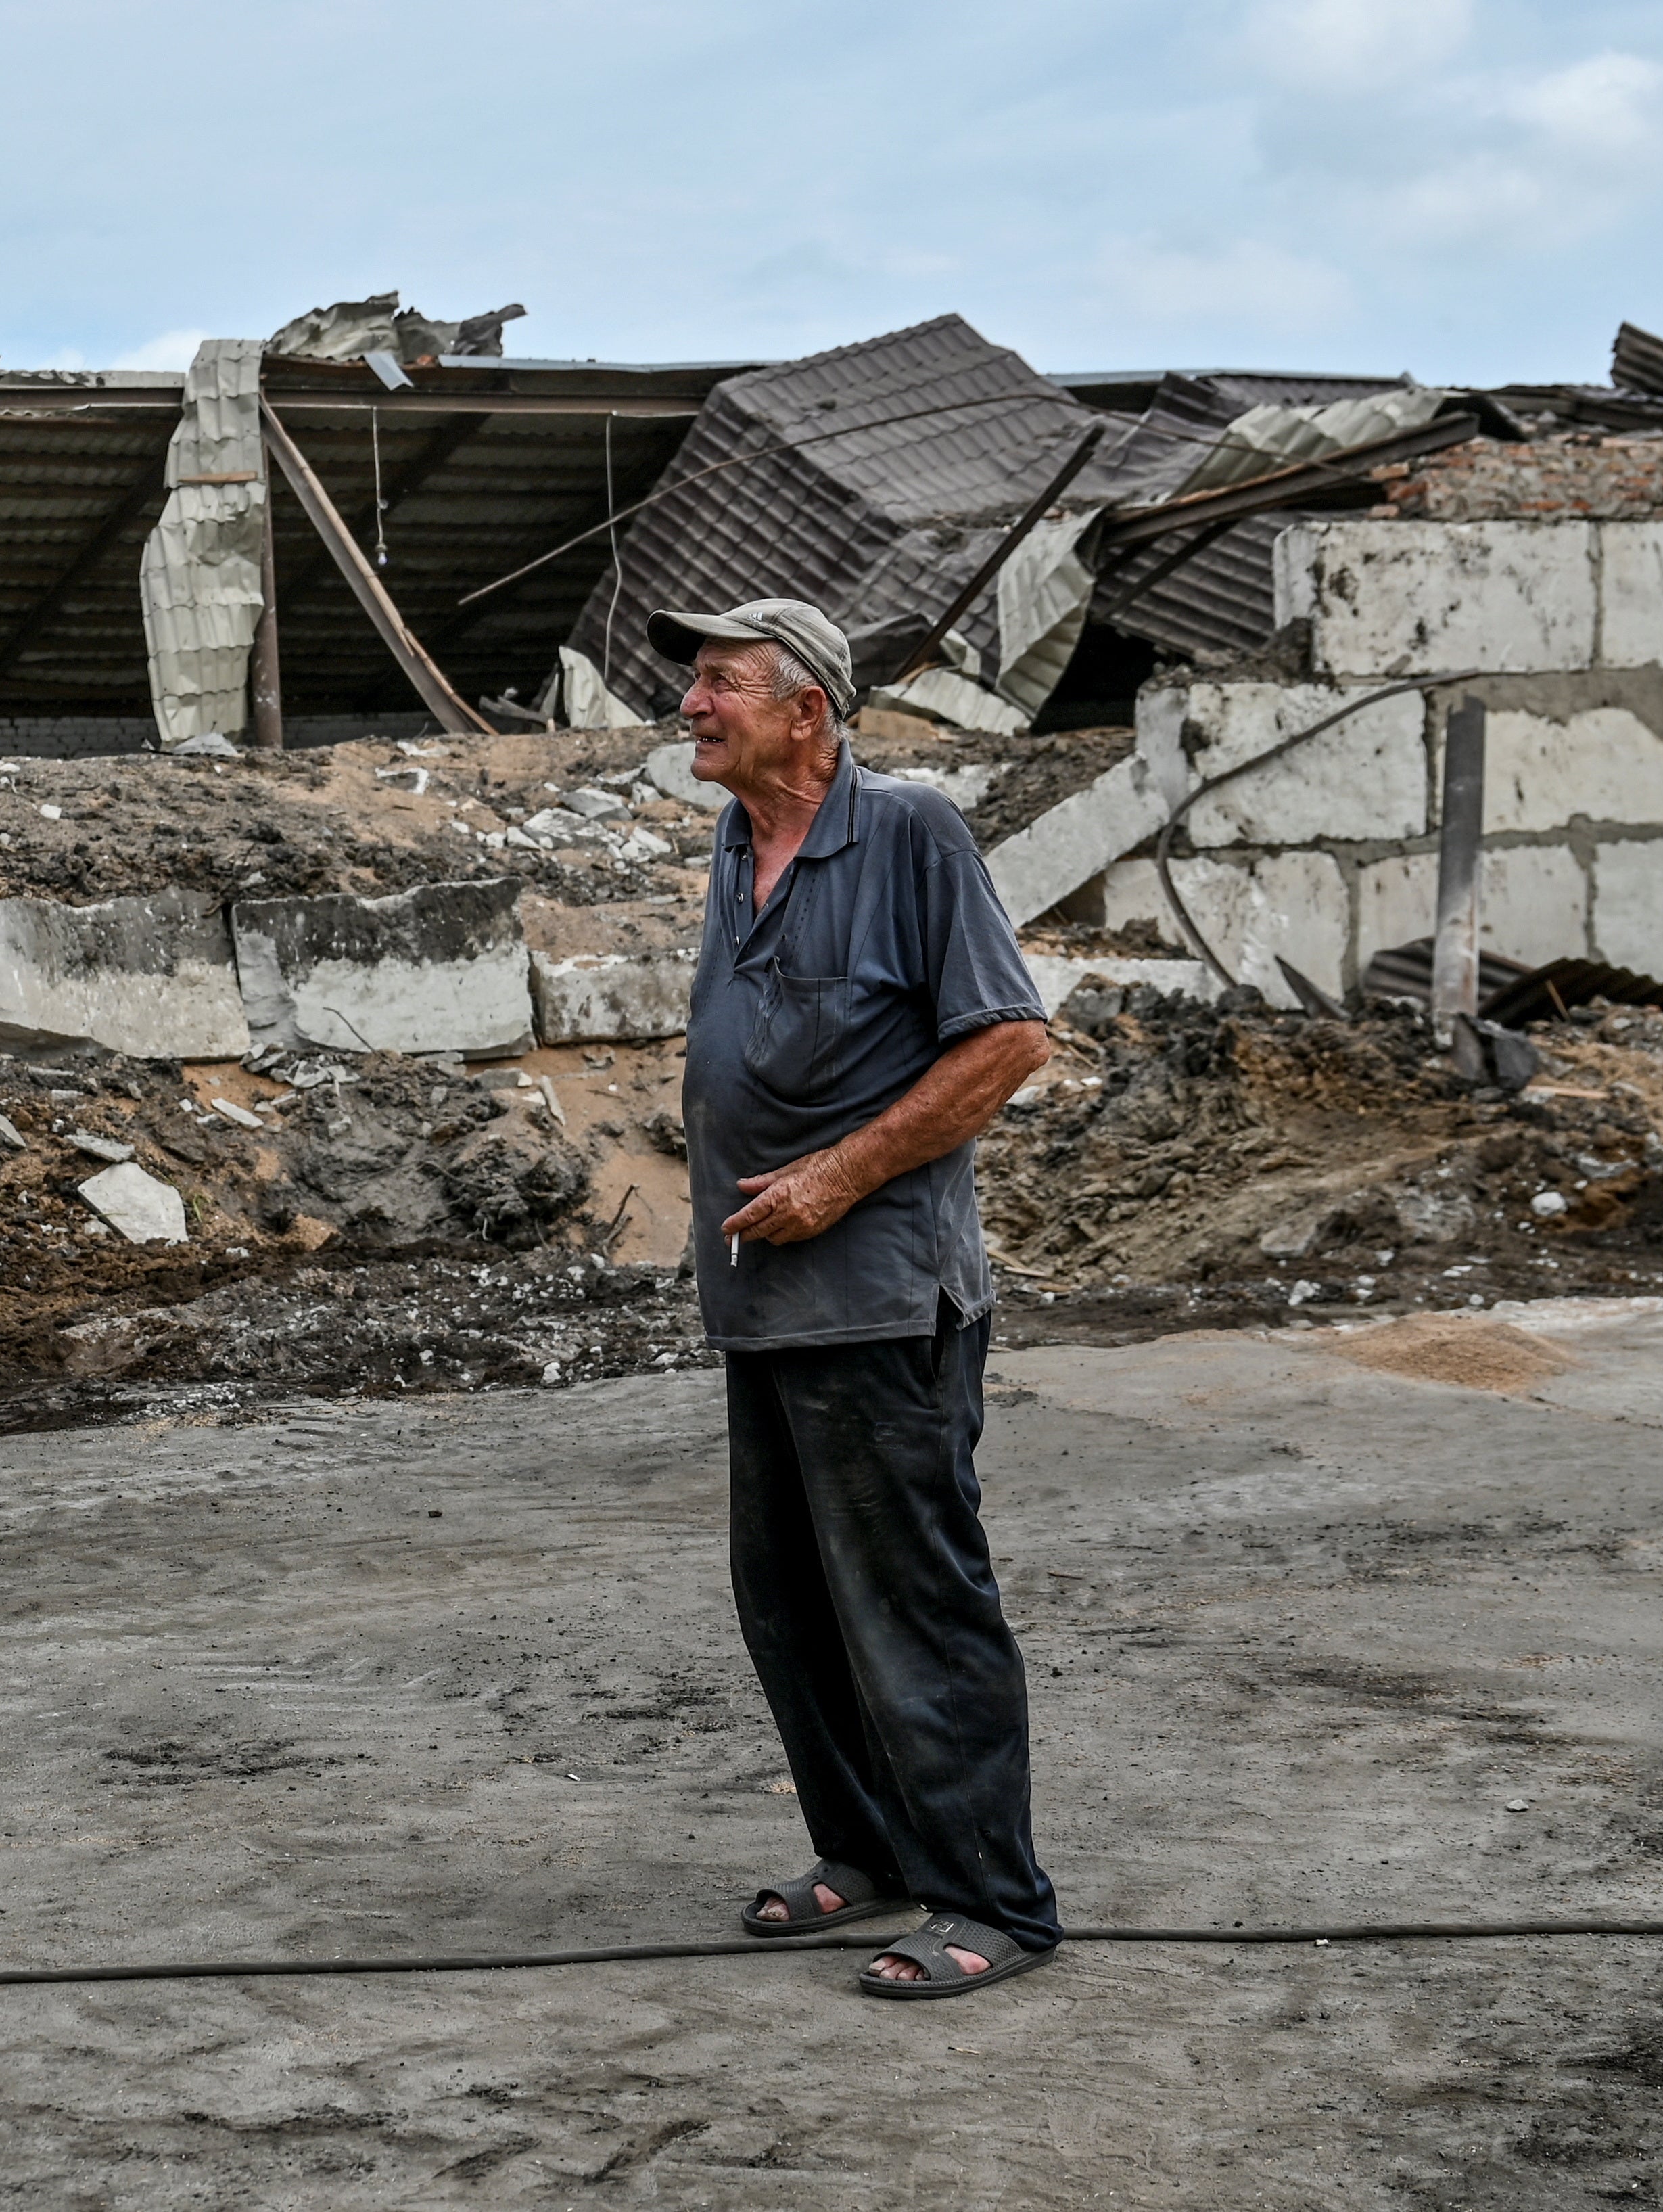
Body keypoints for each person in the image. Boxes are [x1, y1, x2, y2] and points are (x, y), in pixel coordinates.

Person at [652, 598, 1060, 1999]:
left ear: (809, 708)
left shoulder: (910, 833)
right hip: (761, 1301)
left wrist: (837, 1178)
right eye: (695, 684)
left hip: (881, 1302)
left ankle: (992, 1902)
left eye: (721, 686)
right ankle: (871, 1851)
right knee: (791, 1603)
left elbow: (1009, 1040)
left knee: (914, 1604)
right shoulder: (735, 839)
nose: (694, 707)